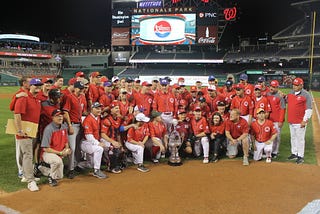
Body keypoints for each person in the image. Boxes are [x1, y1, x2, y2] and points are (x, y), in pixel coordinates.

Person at [13, 78, 43, 191]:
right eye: (35, 85)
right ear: (29, 86)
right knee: (28, 155)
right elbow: (17, 114)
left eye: (39, 85)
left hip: (32, 130)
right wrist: (19, 130)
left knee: (26, 154)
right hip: (24, 131)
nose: (38, 87)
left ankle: (26, 176)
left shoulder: (36, 99)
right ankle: (30, 181)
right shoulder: (24, 98)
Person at [40, 109, 72, 186]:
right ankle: (51, 178)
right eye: (57, 116)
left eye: (61, 116)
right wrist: (60, 153)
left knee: (59, 176)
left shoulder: (64, 127)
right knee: (57, 162)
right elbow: (45, 148)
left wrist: (66, 149)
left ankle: (41, 168)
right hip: (47, 153)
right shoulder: (48, 129)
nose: (60, 118)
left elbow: (66, 142)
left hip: (58, 154)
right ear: (52, 118)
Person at [77, 102, 108, 179]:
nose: (99, 110)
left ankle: (78, 165)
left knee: (90, 164)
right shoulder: (88, 119)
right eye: (97, 108)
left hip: (92, 142)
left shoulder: (97, 117)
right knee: (99, 149)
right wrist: (98, 143)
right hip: (86, 143)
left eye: (100, 108)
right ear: (92, 109)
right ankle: (96, 171)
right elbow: (88, 136)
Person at [286, 77, 312, 164]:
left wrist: (305, 120)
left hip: (300, 121)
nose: (294, 86)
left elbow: (309, 109)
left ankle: (300, 156)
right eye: (293, 84)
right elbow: (287, 100)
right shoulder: (291, 93)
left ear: (301, 85)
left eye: (296, 85)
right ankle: (294, 153)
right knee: (293, 138)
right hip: (291, 120)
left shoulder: (306, 94)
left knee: (300, 139)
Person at [62, 81, 85, 178]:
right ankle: (70, 169)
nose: (81, 90)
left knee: (78, 147)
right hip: (72, 125)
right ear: (74, 88)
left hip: (79, 125)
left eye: (82, 88)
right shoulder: (70, 97)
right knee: (72, 148)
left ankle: (75, 165)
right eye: (79, 88)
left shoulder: (82, 97)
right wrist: (69, 125)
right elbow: (65, 112)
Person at [266, 80, 286, 158]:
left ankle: (275, 152)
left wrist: (281, 121)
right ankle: (268, 151)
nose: (272, 88)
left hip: (277, 120)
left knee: (276, 137)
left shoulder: (280, 96)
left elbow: (283, 109)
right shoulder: (267, 94)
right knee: (268, 136)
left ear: (277, 87)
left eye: (274, 87)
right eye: (271, 86)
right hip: (268, 120)